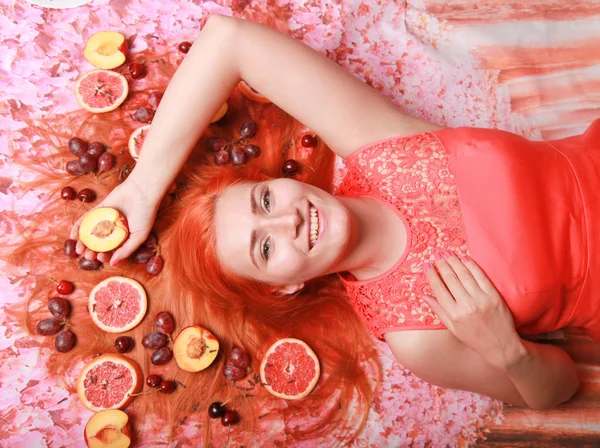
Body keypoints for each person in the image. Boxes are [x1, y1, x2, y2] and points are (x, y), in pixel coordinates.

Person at [71, 14, 600, 410]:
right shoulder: (417, 339)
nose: (287, 221)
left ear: (280, 183)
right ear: (284, 288)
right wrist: (509, 352)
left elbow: (229, 41)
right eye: (265, 246)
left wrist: (143, 189)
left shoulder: (379, 145)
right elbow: (557, 391)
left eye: (264, 201)